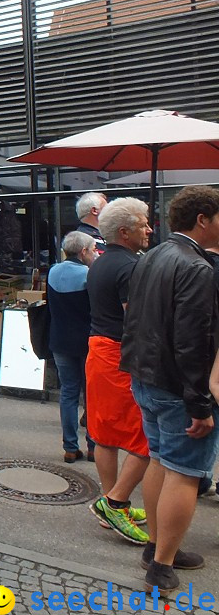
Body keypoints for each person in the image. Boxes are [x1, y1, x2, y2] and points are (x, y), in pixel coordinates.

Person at [122, 186, 219, 593]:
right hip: (175, 386)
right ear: (203, 219)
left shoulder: (154, 255)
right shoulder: (196, 267)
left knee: (161, 461)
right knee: (185, 472)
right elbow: (193, 340)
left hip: (147, 377)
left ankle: (158, 549)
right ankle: (161, 564)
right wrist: (199, 403)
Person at [85, 197, 152, 545]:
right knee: (147, 438)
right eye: (144, 224)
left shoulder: (99, 262)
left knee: (105, 434)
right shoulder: (131, 266)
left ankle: (112, 503)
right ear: (124, 232)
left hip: (99, 352)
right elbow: (136, 321)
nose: (150, 229)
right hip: (120, 357)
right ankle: (116, 501)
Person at [46, 230, 98, 463]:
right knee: (92, 395)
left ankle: (69, 446)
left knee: (68, 392)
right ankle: (93, 447)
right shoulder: (89, 274)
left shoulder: (53, 271)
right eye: (94, 250)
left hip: (60, 340)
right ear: (84, 251)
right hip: (87, 341)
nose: (96, 254)